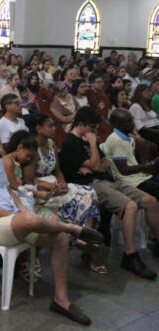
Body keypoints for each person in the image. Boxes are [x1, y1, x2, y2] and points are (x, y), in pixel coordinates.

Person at [0, 121, 104, 326]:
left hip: (14, 218)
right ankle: (72, 228)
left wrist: (21, 210)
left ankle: (61, 300)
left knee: (59, 238)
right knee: (32, 219)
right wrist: (14, 215)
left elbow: (8, 190)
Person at [60, 106, 158, 279]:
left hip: (109, 179)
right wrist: (92, 145)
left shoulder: (88, 139)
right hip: (90, 184)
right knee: (131, 206)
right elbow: (96, 165)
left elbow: (105, 163)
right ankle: (130, 256)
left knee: (151, 201)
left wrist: (93, 165)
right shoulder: (70, 143)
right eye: (92, 127)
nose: (94, 132)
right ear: (81, 124)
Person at [26, 114, 103, 272]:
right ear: (38, 128)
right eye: (50, 125)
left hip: (54, 182)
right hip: (39, 188)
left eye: (55, 125)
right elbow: (28, 179)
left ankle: (84, 234)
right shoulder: (31, 147)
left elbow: (58, 170)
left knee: (88, 192)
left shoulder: (51, 144)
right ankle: (77, 235)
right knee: (73, 199)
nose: (55, 128)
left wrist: (62, 183)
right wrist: (51, 187)